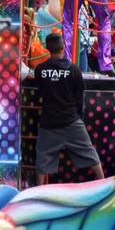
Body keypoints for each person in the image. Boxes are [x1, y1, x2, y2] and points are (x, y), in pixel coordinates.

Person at [34, 33, 105, 185]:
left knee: (42, 159)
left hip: (49, 123)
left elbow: (40, 90)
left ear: (47, 49)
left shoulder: (40, 70)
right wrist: (78, 117)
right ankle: (104, 184)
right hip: (71, 121)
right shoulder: (74, 70)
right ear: (63, 47)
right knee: (90, 154)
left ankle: (37, 192)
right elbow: (80, 98)